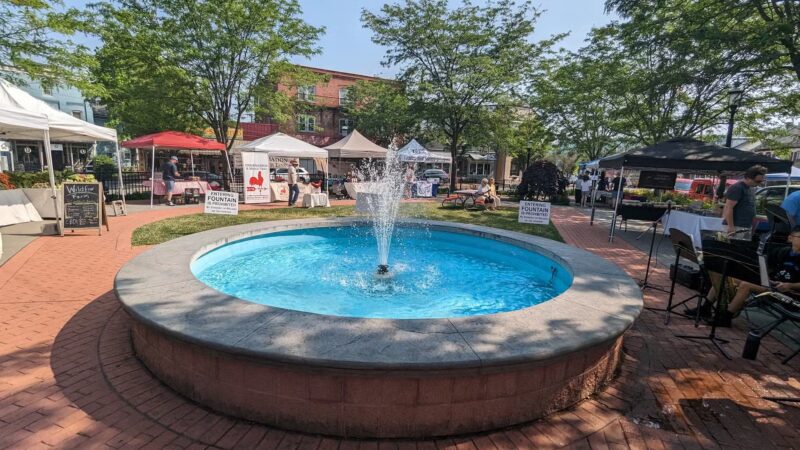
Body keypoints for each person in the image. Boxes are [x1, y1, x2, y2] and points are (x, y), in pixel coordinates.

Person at [702, 225, 800, 325]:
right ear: (790, 238)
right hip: (772, 284)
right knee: (726, 276)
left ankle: (726, 318)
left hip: (789, 293)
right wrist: (767, 277)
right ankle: (706, 308)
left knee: (746, 285)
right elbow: (765, 267)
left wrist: (790, 285)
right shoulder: (782, 251)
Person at [723, 165, 767, 239]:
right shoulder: (737, 188)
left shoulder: (750, 188)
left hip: (745, 226)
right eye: (757, 181)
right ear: (747, 178)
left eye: (761, 181)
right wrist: (731, 227)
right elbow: (728, 208)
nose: (759, 184)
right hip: (736, 227)